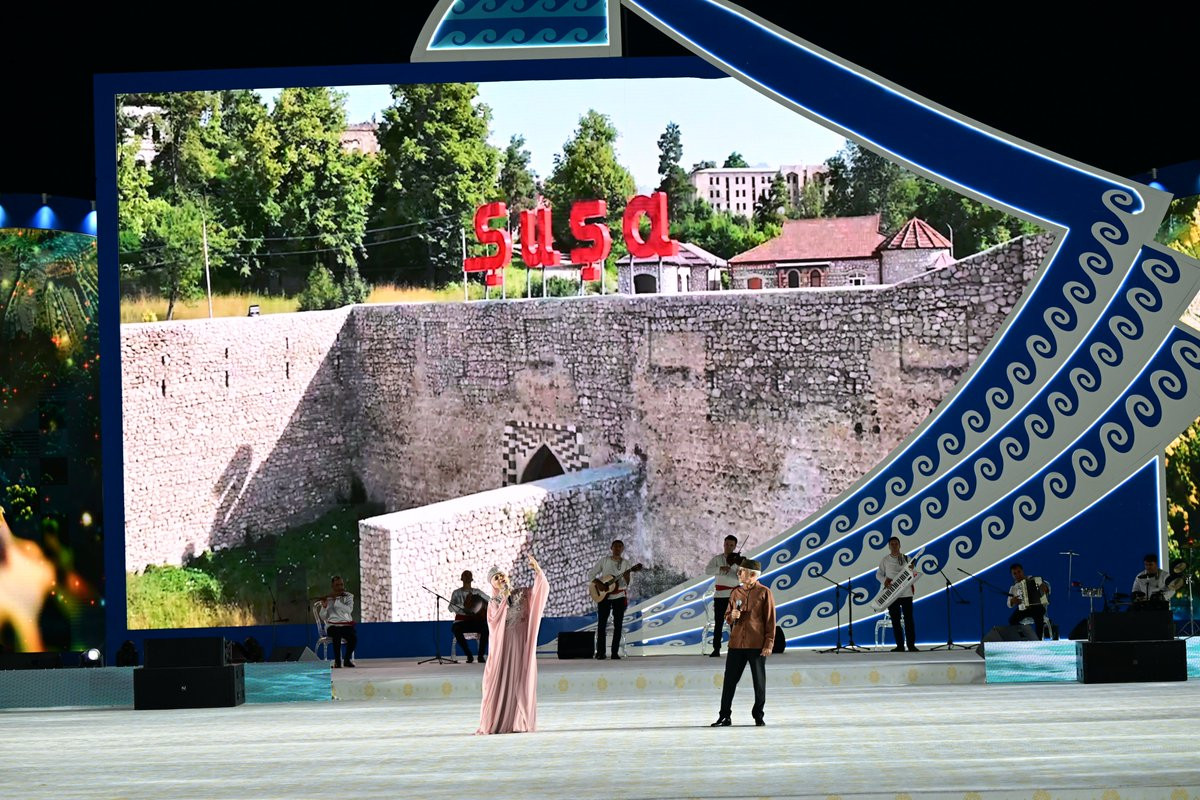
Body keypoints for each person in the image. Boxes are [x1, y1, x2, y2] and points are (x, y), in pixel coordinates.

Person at [477, 555, 549, 735]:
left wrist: (537, 570)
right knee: (503, 680)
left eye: (501, 575)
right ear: (493, 584)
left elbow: (541, 591)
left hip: (521, 644)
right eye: (496, 578)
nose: (500, 578)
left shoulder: (522, 593)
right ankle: (500, 721)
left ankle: (519, 721)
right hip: (504, 647)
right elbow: (494, 622)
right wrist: (503, 598)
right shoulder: (493, 603)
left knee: (520, 679)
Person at [711, 558, 775, 727]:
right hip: (736, 643)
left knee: (759, 682)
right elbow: (727, 617)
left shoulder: (764, 592)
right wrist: (731, 616)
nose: (738, 574)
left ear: (753, 575)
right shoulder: (735, 592)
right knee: (729, 681)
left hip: (756, 644)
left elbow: (770, 620)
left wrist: (768, 644)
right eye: (739, 571)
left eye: (742, 571)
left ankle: (758, 715)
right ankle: (724, 715)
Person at [590, 540, 639, 660]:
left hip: (619, 596)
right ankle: (600, 652)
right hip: (604, 596)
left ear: (622, 549)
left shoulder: (626, 564)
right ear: (611, 548)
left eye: (620, 546)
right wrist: (599, 584)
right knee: (602, 625)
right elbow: (591, 574)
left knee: (618, 625)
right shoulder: (604, 561)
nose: (617, 548)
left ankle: (614, 652)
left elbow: (628, 583)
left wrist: (627, 576)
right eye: (615, 546)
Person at [876, 536, 918, 652]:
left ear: (900, 545)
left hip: (906, 593)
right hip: (892, 594)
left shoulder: (907, 558)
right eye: (892, 544)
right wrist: (884, 581)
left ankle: (911, 645)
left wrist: (912, 569)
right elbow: (878, 574)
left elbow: (914, 574)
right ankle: (900, 646)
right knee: (895, 620)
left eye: (896, 544)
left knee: (909, 620)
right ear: (889, 547)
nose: (894, 546)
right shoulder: (885, 560)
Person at [704, 535, 743, 657]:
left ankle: (736, 648)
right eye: (727, 544)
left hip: (734, 595)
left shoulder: (739, 561)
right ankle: (716, 649)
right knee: (719, 622)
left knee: (734, 622)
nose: (728, 547)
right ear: (723, 544)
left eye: (731, 545)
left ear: (735, 547)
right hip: (720, 596)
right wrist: (720, 568)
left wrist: (738, 568)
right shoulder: (717, 559)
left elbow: (743, 577)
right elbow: (707, 570)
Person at [449, 570, 490, 663]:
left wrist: (479, 601)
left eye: (469, 576)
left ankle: (480, 656)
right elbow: (450, 608)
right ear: (462, 579)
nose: (467, 577)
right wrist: (464, 606)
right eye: (465, 576)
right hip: (461, 621)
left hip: (475, 620)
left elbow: (489, 599)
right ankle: (469, 655)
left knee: (485, 629)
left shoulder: (477, 592)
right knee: (456, 629)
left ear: (471, 579)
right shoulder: (456, 593)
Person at [318, 575, 356, 668]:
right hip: (332, 626)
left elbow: (349, 610)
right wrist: (324, 607)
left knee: (353, 637)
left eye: (341, 585)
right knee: (336, 634)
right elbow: (323, 617)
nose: (340, 587)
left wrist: (337, 601)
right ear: (332, 586)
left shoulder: (349, 596)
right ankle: (337, 662)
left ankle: (347, 660)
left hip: (346, 625)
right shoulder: (328, 598)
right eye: (337, 585)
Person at [1007, 563, 1050, 638]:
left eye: (1019, 572)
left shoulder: (1034, 579)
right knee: (1012, 620)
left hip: (1037, 607)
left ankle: (1038, 639)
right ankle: (1024, 636)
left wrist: (1045, 588)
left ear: (1022, 571)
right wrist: (1012, 601)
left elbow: (1046, 589)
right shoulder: (1013, 588)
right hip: (1023, 609)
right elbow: (1008, 604)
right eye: (1014, 573)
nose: (1017, 575)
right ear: (1012, 576)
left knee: (1038, 615)